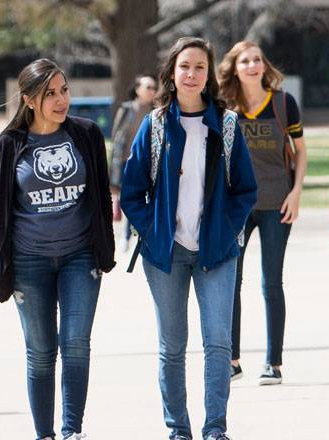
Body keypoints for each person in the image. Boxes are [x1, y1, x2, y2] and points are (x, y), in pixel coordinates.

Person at [120, 36, 257, 440]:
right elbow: (131, 192)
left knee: (218, 342)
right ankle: (178, 430)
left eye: (200, 67)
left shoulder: (227, 125)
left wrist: (228, 229)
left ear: (209, 74)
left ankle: (215, 428)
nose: (192, 74)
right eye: (185, 66)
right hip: (166, 253)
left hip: (217, 251)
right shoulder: (156, 125)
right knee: (172, 347)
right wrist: (153, 229)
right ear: (172, 73)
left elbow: (245, 190)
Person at [0, 58, 116, 440]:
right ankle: (45, 435)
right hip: (29, 261)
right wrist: (3, 252)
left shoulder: (87, 135)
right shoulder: (9, 146)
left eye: (64, 90)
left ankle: (72, 431)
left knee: (75, 343)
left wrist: (102, 245)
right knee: (41, 353)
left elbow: (100, 195)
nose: (61, 100)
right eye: (50, 94)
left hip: (80, 256)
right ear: (28, 100)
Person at [217, 40, 308, 385]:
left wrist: (296, 192)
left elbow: (300, 152)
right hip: (236, 208)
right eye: (245, 61)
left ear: (264, 66)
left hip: (276, 203)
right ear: (234, 68)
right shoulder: (224, 107)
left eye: (257, 60)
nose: (253, 65)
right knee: (231, 282)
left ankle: (274, 363)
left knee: (271, 282)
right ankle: (231, 360)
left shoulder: (284, 103)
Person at [110, 74, 157, 250]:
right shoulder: (126, 109)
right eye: (148, 87)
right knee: (130, 198)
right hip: (125, 162)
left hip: (148, 163)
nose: (152, 91)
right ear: (137, 89)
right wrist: (113, 168)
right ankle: (127, 237)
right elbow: (116, 138)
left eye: (154, 88)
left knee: (146, 198)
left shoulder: (156, 111)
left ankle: (141, 234)